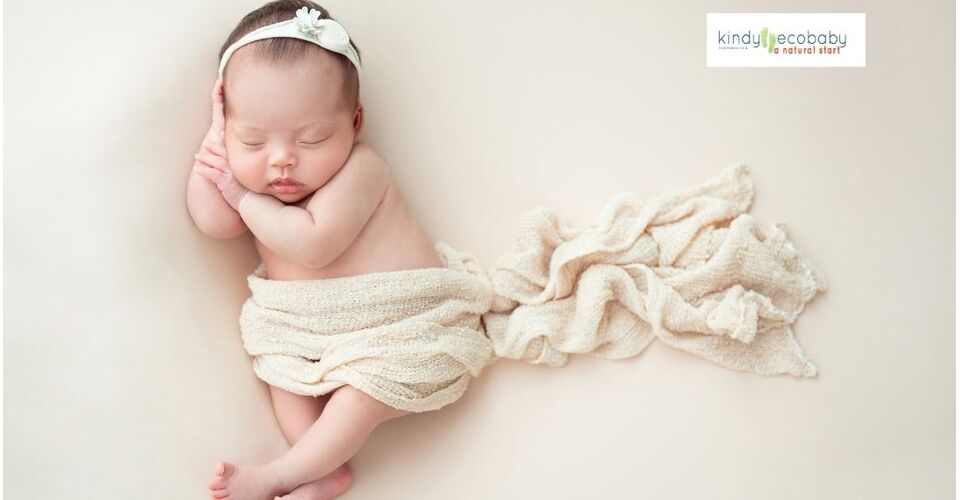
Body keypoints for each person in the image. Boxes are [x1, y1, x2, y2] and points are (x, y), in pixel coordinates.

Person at [188, 1, 440, 498]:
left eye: (313, 138)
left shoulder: (362, 170)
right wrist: (215, 150)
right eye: (253, 141)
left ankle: (282, 475)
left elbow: (314, 244)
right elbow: (213, 222)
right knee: (279, 370)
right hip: (304, 334)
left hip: (399, 333)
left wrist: (243, 194)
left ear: (355, 123)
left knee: (360, 393)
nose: (282, 160)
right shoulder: (250, 186)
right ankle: (324, 470)